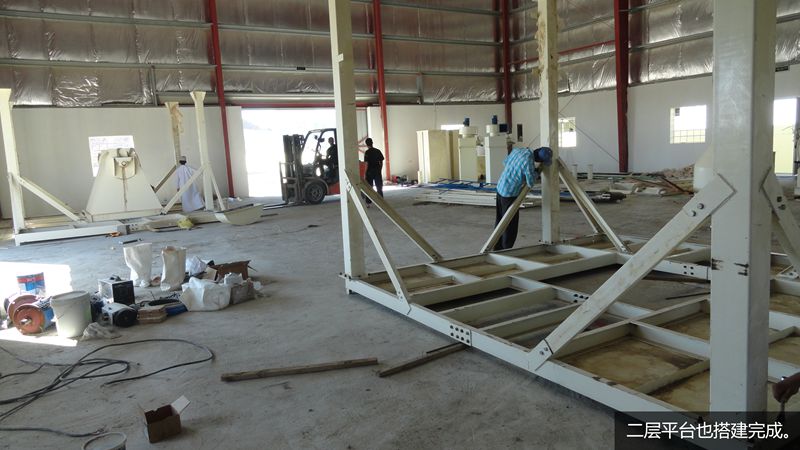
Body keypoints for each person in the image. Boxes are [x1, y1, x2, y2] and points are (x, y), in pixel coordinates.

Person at [493, 146, 552, 250]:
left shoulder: (518, 150)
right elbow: (530, 182)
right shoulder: (528, 163)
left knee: (500, 219)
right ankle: (505, 249)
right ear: (539, 160)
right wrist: (536, 172)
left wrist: (517, 172)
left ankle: (496, 246)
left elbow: (505, 162)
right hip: (510, 193)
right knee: (510, 223)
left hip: (500, 187)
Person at [363, 138, 384, 205]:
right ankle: (381, 202)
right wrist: (380, 169)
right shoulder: (377, 151)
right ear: (372, 143)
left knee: (369, 187)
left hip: (369, 172)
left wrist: (365, 173)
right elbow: (381, 162)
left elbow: (367, 164)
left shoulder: (367, 152)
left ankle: (368, 202)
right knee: (379, 187)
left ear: (366, 144)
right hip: (377, 171)